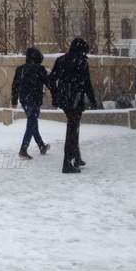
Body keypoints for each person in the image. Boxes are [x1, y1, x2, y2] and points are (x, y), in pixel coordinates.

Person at [49, 37, 99, 174]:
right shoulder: (81, 62)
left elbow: (51, 79)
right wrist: (93, 100)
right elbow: (87, 84)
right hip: (76, 100)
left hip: (65, 99)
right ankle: (67, 163)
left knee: (73, 127)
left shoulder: (61, 60)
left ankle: (76, 158)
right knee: (72, 130)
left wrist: (56, 94)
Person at [11, 47, 50, 159]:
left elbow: (14, 86)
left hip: (24, 100)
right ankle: (23, 149)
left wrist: (14, 100)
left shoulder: (20, 69)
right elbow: (49, 83)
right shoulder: (40, 69)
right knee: (32, 123)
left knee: (32, 122)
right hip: (35, 99)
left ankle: (41, 146)